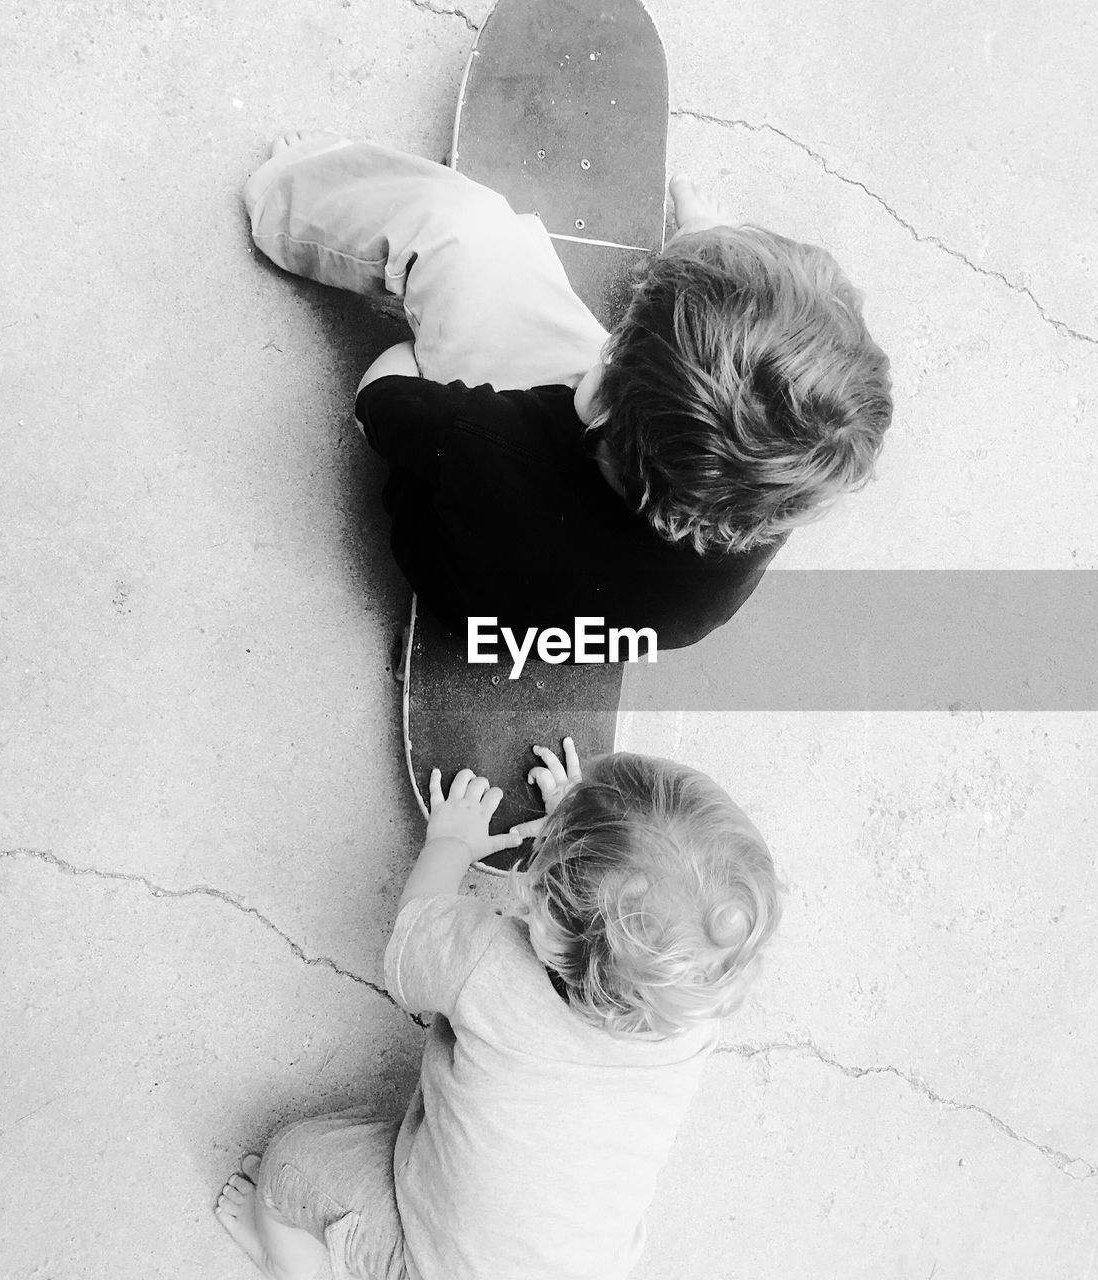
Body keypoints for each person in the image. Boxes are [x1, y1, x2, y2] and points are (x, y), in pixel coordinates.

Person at [244, 131, 892, 648]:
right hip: (533, 635)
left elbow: (383, 409)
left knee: (462, 232)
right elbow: (751, 408)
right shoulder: (759, 515)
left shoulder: (486, 437)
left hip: (446, 570)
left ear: (593, 392)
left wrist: (411, 390)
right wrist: (702, 248)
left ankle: (284, 196)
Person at [214, 738, 783, 1279]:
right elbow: (635, 933)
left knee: (290, 1164)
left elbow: (411, 938)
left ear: (540, 913)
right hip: (579, 1271)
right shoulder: (691, 1019)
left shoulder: (486, 964)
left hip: (429, 1266)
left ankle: (287, 1264)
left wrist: (451, 843)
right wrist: (582, 842)